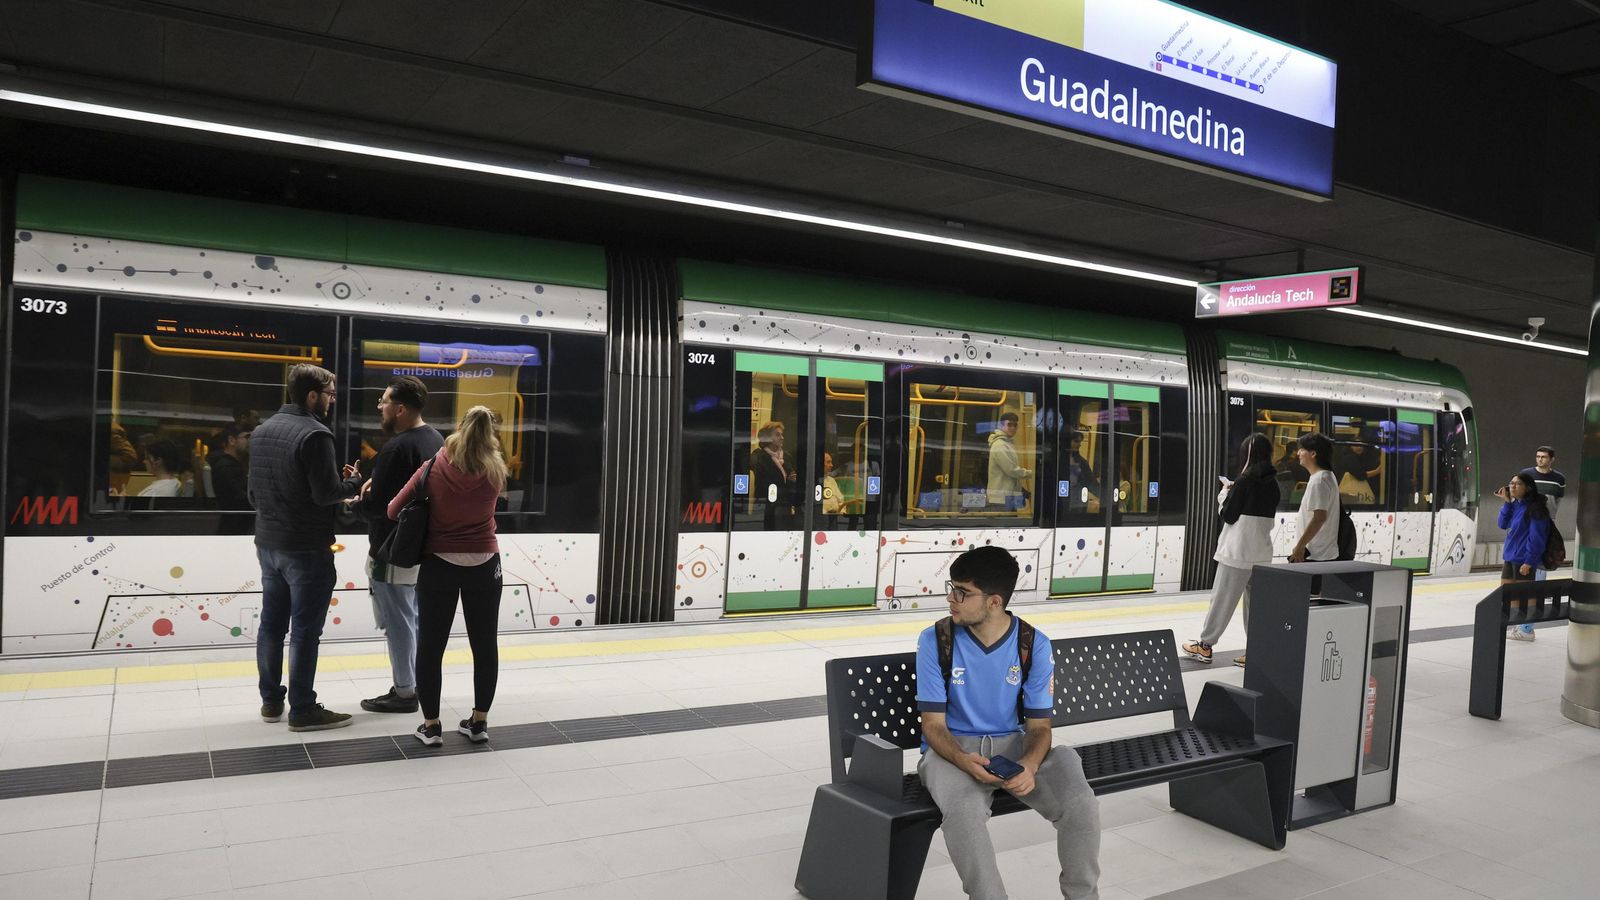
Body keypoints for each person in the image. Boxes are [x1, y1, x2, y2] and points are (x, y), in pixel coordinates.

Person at [916, 545, 1101, 899]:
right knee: (964, 816)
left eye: (962, 593)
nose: (951, 599)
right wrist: (962, 759)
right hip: (952, 752)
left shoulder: (1033, 645)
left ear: (994, 602)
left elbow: (1039, 728)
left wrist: (1029, 765)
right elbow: (933, 726)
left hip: (1014, 748)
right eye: (951, 588)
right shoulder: (936, 640)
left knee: (1079, 800)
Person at [249, 364, 360, 732]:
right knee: (304, 631)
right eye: (329, 394)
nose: (331, 400)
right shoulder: (315, 434)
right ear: (312, 396)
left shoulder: (262, 431)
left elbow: (253, 493)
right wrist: (353, 485)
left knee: (271, 625)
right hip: (306, 548)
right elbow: (326, 493)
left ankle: (270, 700)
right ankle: (302, 708)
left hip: (268, 544)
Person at [392, 405, 506, 746]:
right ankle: (479, 722)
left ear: (458, 428)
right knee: (484, 644)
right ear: (490, 434)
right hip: (485, 564)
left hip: (439, 564)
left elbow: (393, 509)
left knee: (431, 645)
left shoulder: (434, 466)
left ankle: (431, 726)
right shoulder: (496, 470)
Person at [351, 376, 443, 714]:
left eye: (384, 401)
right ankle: (412, 681)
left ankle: (405, 692)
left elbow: (378, 509)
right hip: (420, 548)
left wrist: (356, 501)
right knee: (412, 617)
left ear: (400, 409)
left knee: (398, 621)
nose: (380, 407)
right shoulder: (434, 439)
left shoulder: (395, 448)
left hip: (391, 550)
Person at [1184, 433, 1279, 667]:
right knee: (1256, 606)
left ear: (1247, 454)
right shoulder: (1274, 484)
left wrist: (1225, 493)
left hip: (1237, 552)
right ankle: (1255, 651)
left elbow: (1229, 515)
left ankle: (1205, 646)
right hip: (1261, 554)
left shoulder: (1245, 481)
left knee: (1222, 600)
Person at [1497, 471, 1552, 641]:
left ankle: (1527, 629)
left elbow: (1537, 537)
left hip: (1524, 558)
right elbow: (1502, 524)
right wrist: (1507, 504)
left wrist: (1530, 560)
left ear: (1528, 488)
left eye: (1517, 484)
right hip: (1510, 556)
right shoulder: (1515, 505)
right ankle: (1517, 625)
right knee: (1508, 593)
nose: (1512, 486)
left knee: (1525, 595)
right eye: (1511, 483)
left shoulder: (1536, 508)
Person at [1288, 432, 1340, 566]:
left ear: (1313, 454)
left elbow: (1319, 517)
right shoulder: (1327, 476)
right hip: (1320, 552)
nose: (1298, 453)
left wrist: (1300, 545)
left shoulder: (1319, 480)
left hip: (1315, 554)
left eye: (1302, 449)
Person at [1519, 446, 1565, 580]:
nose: (1540, 459)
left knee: (1543, 548)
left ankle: (1539, 583)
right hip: (1527, 517)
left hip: (1547, 518)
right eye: (1538, 456)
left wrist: (1551, 513)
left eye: (1543, 457)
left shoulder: (1559, 478)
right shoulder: (1526, 475)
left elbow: (1558, 498)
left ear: (1552, 459)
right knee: (1526, 545)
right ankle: (1524, 577)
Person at [750, 421, 797, 528]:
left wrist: (792, 481)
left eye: (782, 434)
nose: (782, 437)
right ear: (767, 438)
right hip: (767, 506)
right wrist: (788, 481)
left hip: (785, 506)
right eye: (777, 434)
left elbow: (793, 479)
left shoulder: (787, 456)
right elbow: (764, 483)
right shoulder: (759, 456)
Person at [986, 412, 1032, 510]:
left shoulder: (1007, 443)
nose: (1013, 428)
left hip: (1007, 498)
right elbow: (1011, 470)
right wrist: (1031, 473)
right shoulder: (1000, 445)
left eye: (1015, 425)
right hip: (1000, 500)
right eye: (1009, 424)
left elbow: (1009, 476)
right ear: (1001, 425)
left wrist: (1023, 491)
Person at [207, 424, 252, 510]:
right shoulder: (226, 467)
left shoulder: (233, 465)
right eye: (247, 437)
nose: (250, 442)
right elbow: (238, 499)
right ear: (232, 440)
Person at [1064, 430, 1100, 512]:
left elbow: (1091, 481)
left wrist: (1103, 494)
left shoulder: (1081, 462)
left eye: (1080, 442)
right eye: (1076, 441)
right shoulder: (1060, 459)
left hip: (1077, 500)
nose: (1079, 445)